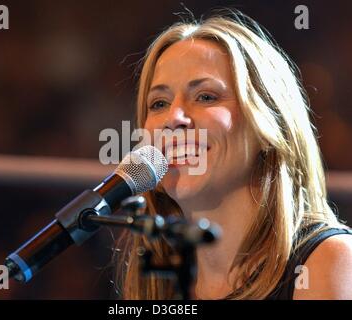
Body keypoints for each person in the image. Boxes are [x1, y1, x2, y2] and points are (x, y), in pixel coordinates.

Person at [114, 9, 352, 300]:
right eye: (159, 103)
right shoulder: (156, 274)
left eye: (206, 96)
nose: (173, 118)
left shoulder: (327, 262)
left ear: (266, 124)